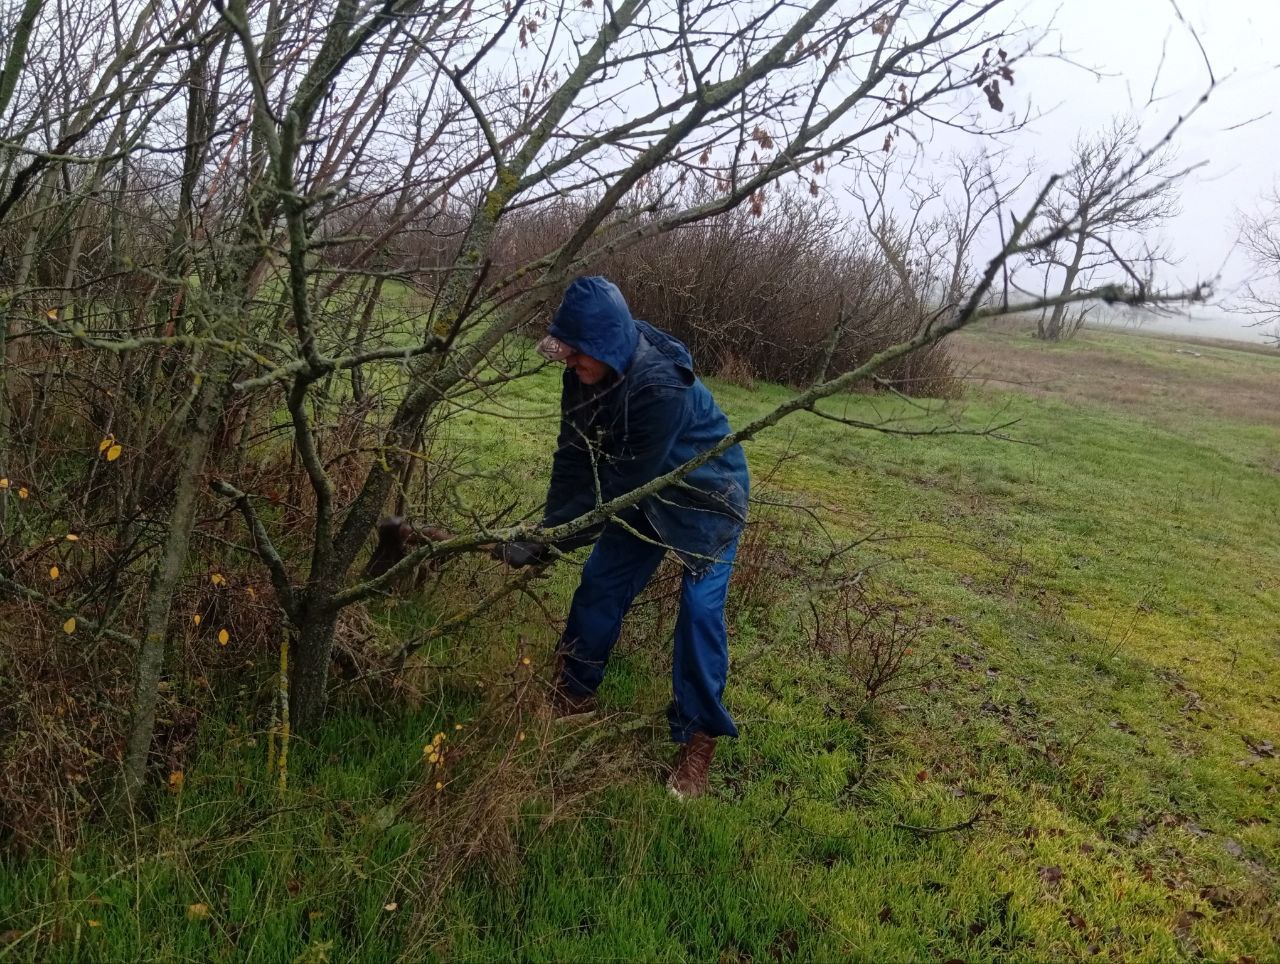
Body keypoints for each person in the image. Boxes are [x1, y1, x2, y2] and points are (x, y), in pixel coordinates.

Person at [491, 276, 750, 799]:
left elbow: (617, 489)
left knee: (699, 612)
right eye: (566, 353)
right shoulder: (582, 375)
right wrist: (548, 530)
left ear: (605, 344)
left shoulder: (660, 386)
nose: (568, 363)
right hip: (645, 493)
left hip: (706, 497)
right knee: (600, 584)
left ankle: (699, 735)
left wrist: (551, 543)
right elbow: (572, 458)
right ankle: (574, 692)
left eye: (576, 353)